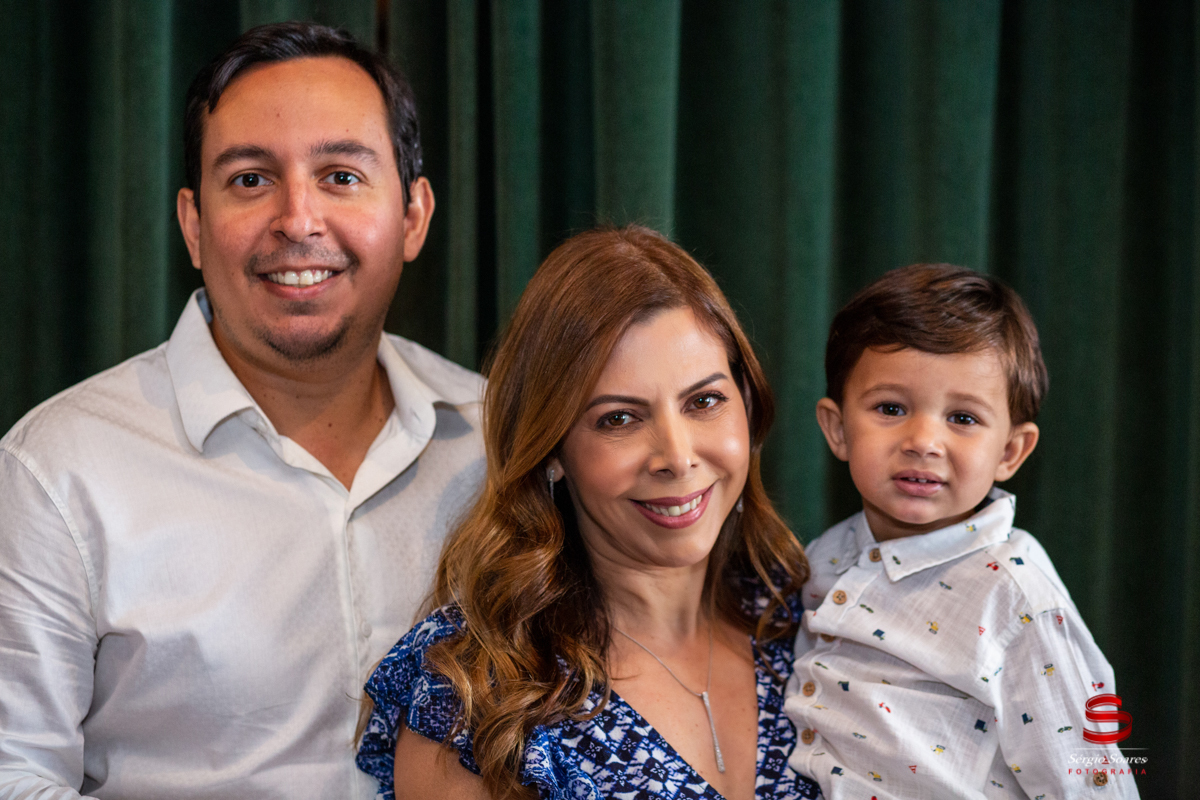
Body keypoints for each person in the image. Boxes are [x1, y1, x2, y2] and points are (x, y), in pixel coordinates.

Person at [0, 22, 484, 799]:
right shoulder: (56, 471)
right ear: (194, 226)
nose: (298, 220)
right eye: (251, 179)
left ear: (414, 216)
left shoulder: (498, 442)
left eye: (342, 176)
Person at [356, 226, 822, 800]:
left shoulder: (808, 619)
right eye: (619, 419)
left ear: (747, 406)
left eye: (704, 401)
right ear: (551, 449)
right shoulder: (472, 695)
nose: (678, 457)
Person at [783, 265, 1139, 799]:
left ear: (1010, 451)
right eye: (891, 408)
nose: (923, 441)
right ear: (838, 429)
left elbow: (1093, 783)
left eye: (963, 418)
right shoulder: (825, 555)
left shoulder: (1017, 598)